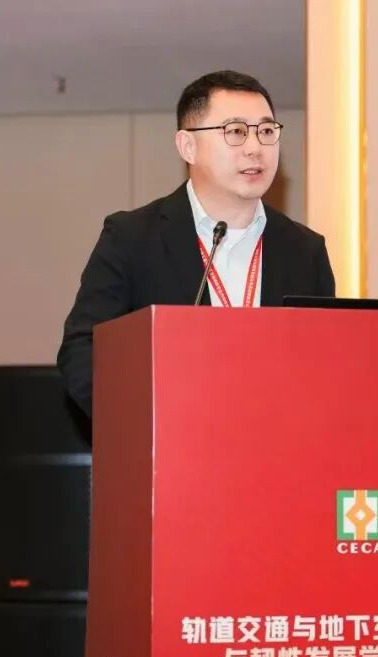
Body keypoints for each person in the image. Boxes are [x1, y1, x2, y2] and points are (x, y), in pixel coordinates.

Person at [57, 70, 336, 417]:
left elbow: (327, 366)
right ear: (188, 146)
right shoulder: (132, 237)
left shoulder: (305, 251)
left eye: (266, 132)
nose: (255, 148)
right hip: (173, 441)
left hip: (277, 443)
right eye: (236, 131)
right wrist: (147, 421)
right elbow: (84, 352)